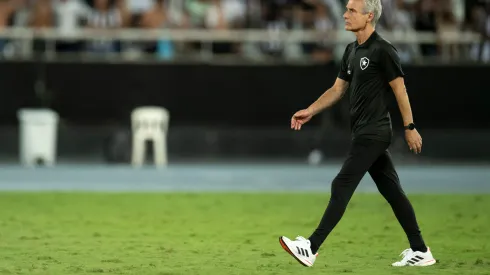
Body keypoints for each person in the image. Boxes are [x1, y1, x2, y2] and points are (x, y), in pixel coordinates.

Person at [278, 0, 436, 268]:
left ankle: (311, 247)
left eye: (352, 10)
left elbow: (401, 91)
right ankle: (421, 250)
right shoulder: (351, 50)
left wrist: (410, 127)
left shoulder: (383, 50)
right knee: (393, 192)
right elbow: (337, 90)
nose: (345, 14)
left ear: (369, 16)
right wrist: (310, 110)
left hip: (374, 133)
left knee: (341, 185)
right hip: (364, 132)